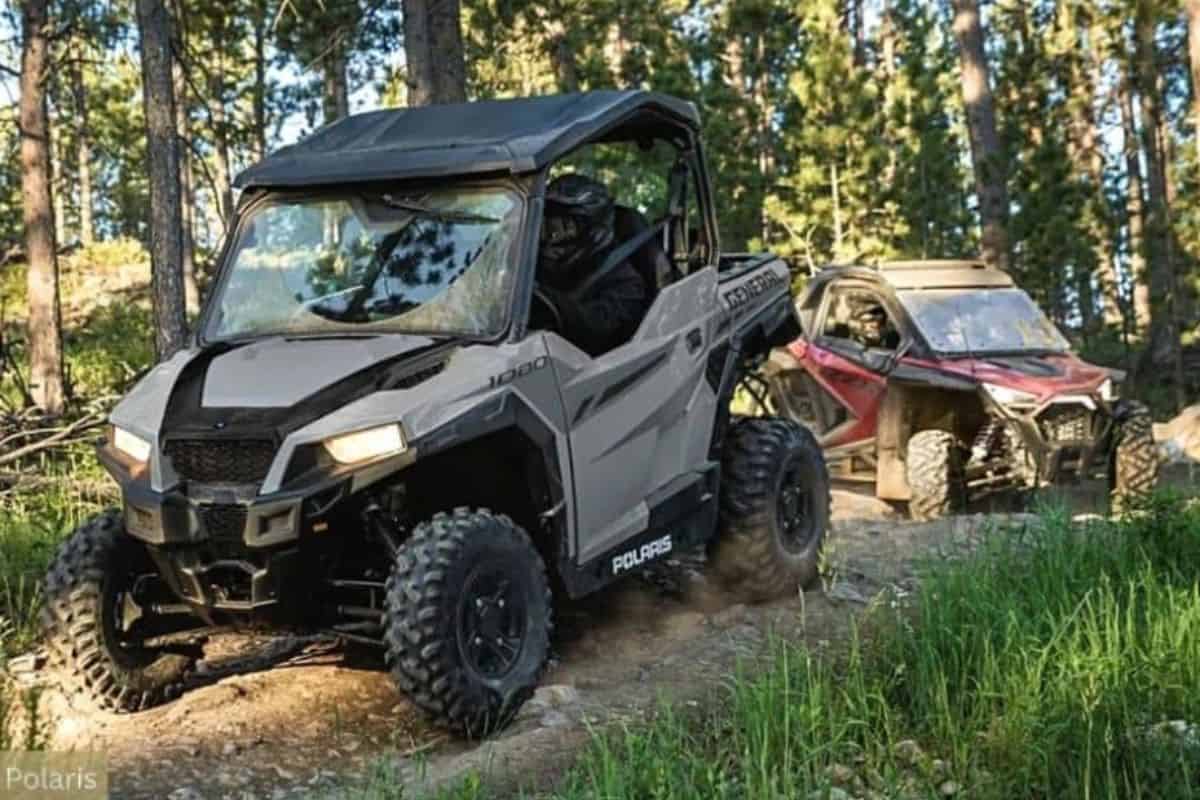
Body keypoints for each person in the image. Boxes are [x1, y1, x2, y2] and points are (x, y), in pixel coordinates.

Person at [535, 174, 648, 356]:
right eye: (544, 228)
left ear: (594, 232)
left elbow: (596, 328)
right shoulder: (537, 265)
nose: (549, 239)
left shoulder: (627, 284)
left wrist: (542, 299)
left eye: (562, 229)